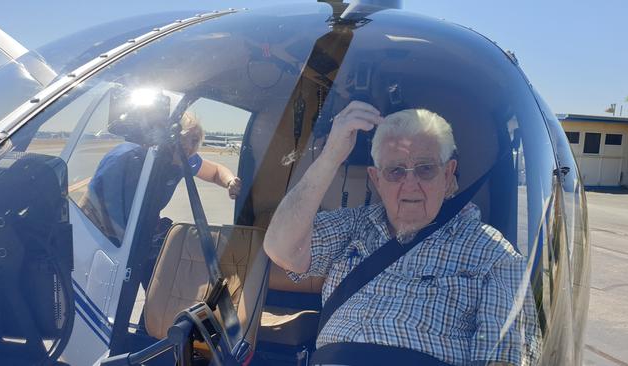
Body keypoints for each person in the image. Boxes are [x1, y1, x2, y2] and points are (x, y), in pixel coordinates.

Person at [264, 101, 541, 366]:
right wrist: (331, 155)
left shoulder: (493, 253)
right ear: (376, 179)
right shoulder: (353, 226)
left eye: (425, 169)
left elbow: (507, 355)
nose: (410, 184)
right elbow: (280, 248)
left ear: (448, 174)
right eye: (395, 171)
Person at [79, 112, 241, 289]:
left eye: (196, 140)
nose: (190, 146)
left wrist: (230, 181)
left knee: (165, 284)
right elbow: (101, 208)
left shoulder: (183, 160)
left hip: (139, 231)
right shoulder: (128, 157)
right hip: (100, 233)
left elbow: (215, 171)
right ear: (169, 136)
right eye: (186, 138)